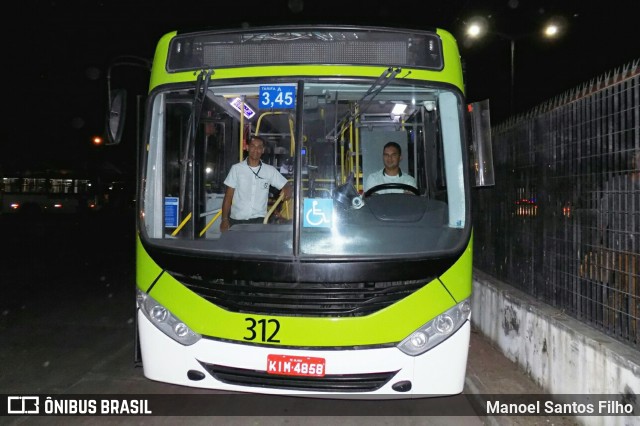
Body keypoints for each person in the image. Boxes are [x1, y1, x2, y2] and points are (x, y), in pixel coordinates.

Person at [220, 136, 292, 232]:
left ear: (262, 150)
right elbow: (228, 196)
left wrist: (287, 188)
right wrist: (224, 219)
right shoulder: (236, 169)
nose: (256, 150)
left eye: (259, 147)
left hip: (259, 221)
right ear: (248, 147)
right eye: (253, 146)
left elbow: (286, 184)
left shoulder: (269, 170)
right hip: (237, 220)